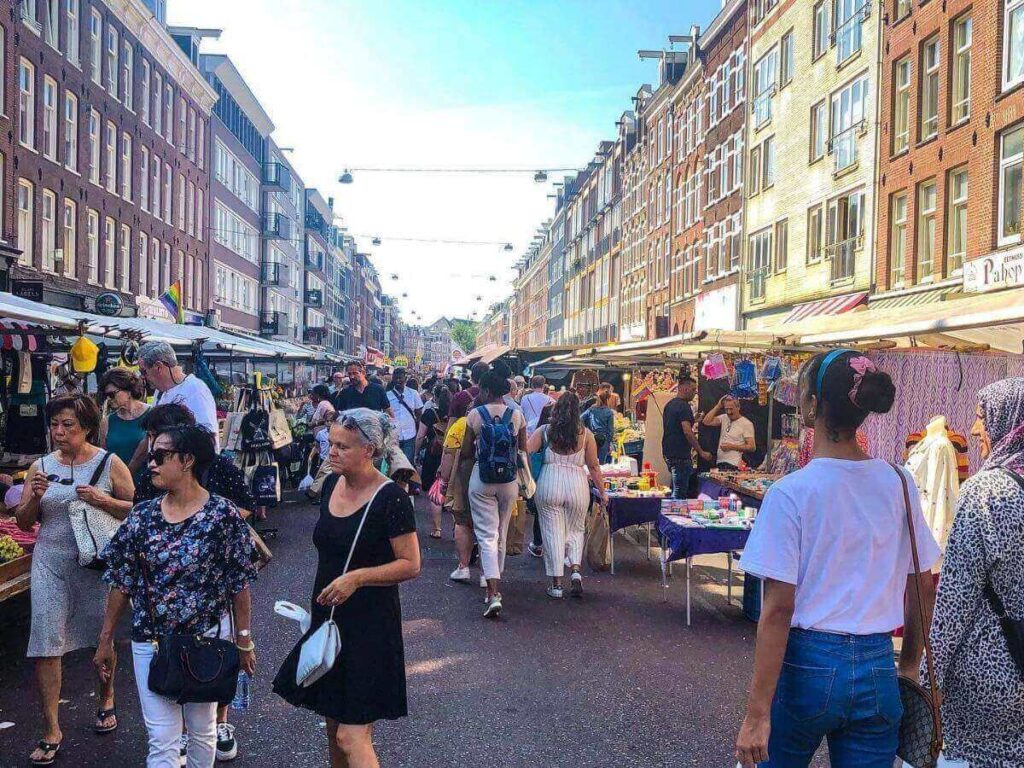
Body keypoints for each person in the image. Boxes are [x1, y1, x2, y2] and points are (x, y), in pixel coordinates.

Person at [734, 351, 940, 768]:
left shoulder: (791, 493)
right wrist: (909, 664)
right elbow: (921, 583)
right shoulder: (899, 482)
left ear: (812, 406)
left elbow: (776, 610)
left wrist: (757, 715)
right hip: (877, 664)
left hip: (809, 662)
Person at [95, 425, 257, 768]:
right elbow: (121, 581)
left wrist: (243, 640)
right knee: (162, 741)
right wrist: (106, 639)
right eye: (151, 456)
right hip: (150, 643)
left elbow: (239, 582)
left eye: (160, 456)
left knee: (202, 732)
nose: (150, 464)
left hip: (207, 641)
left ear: (187, 461)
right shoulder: (142, 516)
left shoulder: (222, 516)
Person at [272, 409, 420, 768]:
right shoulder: (331, 486)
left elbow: (411, 564)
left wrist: (357, 577)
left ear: (369, 450)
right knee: (333, 723)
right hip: (330, 618)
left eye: (342, 446)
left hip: (370, 624)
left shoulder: (391, 499)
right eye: (332, 443)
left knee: (350, 736)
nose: (331, 452)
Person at [15, 395, 135, 766]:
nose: (60, 432)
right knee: (46, 641)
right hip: (50, 560)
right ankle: (51, 728)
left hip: (96, 564)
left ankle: (106, 696)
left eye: (68, 425)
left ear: (87, 427)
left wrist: (103, 500)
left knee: (101, 636)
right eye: (55, 425)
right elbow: (23, 521)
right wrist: (34, 498)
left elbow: (138, 509)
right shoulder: (40, 466)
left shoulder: (108, 462)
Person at [925, 378, 1024, 766]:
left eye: (983, 417)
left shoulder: (987, 491)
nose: (975, 428)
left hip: (990, 674)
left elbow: (954, 600)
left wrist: (927, 682)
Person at [460, 363, 528, 618]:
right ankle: (493, 577)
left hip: (482, 478)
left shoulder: (475, 415)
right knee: (501, 531)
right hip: (508, 479)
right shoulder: (517, 415)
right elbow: (522, 449)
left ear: (486, 389)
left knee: (486, 535)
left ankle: (492, 591)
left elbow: (466, 451)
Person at [528, 392, 606, 599]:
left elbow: (525, 450)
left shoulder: (545, 431)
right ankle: (576, 571)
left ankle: (556, 584)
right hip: (577, 484)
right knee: (576, 529)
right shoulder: (586, 434)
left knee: (552, 532)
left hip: (549, 481)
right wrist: (603, 493)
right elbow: (594, 466)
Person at [138, 341, 220, 452]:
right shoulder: (160, 391)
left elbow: (208, 440)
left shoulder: (195, 390)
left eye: (143, 371)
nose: (142, 377)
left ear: (158, 367)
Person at [436, 395, 476, 583]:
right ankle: (488, 574)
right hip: (496, 480)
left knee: (462, 522)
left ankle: (463, 566)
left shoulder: (461, 424)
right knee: (490, 527)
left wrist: (443, 481)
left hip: (463, 478)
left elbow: (449, 455)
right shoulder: (508, 416)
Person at [662, 378, 712, 499]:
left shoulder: (670, 405)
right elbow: (687, 432)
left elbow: (676, 425)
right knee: (680, 492)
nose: (695, 393)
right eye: (693, 389)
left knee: (675, 487)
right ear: (685, 388)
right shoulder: (684, 406)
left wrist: (693, 420)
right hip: (680, 454)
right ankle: (675, 516)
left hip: (669, 452)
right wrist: (701, 452)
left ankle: (670, 514)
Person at [98, 368, 150, 473]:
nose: (108, 399)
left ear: (128, 391)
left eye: (112, 394)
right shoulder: (107, 422)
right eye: (106, 396)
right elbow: (103, 459)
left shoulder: (152, 414)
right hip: (115, 483)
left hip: (146, 483)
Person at [417, 385, 451, 539]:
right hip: (451, 454)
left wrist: (416, 454)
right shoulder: (457, 414)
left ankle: (437, 529)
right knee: (453, 493)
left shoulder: (430, 413)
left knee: (435, 491)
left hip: (433, 454)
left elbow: (420, 436)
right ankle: (457, 529)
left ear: (435, 398)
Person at [527, 402, 555, 559]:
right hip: (565, 479)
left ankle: (538, 544)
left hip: (541, 476)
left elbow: (527, 451)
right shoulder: (572, 433)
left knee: (540, 511)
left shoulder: (541, 431)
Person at [702, 394, 755, 470]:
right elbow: (706, 422)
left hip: (734, 464)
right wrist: (718, 406)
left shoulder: (746, 424)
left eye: (731, 409)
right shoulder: (724, 417)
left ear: (738, 407)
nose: (728, 412)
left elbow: (752, 447)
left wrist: (731, 446)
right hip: (720, 462)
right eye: (726, 409)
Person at [386, 367, 424, 465]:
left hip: (410, 435)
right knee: (394, 464)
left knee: (407, 464)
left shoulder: (413, 394)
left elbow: (419, 413)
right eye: (396, 378)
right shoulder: (387, 395)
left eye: (400, 378)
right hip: (394, 436)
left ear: (405, 379)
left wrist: (418, 429)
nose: (398, 381)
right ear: (393, 379)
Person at [582, 385, 617, 465]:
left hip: (592, 438)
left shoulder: (591, 409)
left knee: (591, 463)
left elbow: (580, 419)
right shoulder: (609, 412)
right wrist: (609, 443)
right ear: (607, 399)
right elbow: (610, 431)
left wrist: (586, 429)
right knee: (601, 465)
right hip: (604, 440)